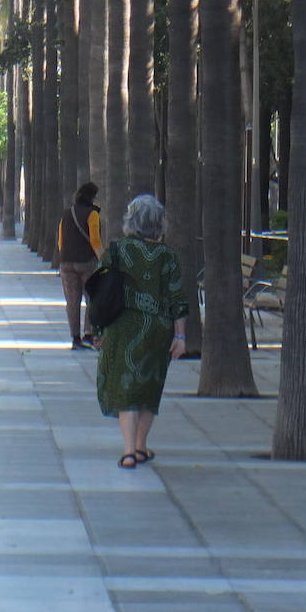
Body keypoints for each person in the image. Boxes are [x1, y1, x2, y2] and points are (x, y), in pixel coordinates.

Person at [95, 194, 188, 469]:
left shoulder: (116, 251)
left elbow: (101, 294)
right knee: (148, 388)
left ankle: (128, 451)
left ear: (130, 221)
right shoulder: (167, 256)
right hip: (157, 330)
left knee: (125, 387)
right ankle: (140, 446)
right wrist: (180, 336)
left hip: (122, 328)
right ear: (159, 223)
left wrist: (97, 329)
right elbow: (177, 299)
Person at [57, 181, 104, 350]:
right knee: (92, 298)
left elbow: (61, 241)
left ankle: (75, 339)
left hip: (66, 263)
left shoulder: (67, 213)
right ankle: (89, 334)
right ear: (92, 197)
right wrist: (103, 260)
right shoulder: (93, 214)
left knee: (72, 301)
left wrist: (64, 257)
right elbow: (95, 241)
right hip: (86, 263)